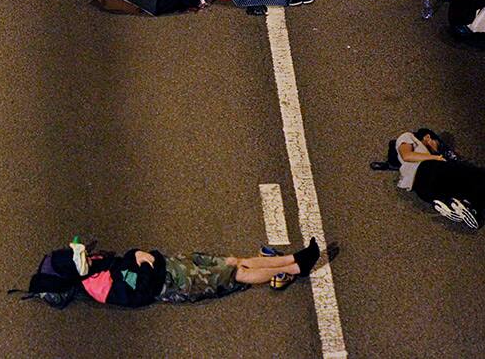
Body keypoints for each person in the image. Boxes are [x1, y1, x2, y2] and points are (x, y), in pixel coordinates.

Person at [29, 237, 322, 308]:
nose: (88, 255)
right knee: (237, 273)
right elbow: (139, 294)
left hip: (173, 266)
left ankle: (294, 259)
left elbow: (124, 260)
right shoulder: (99, 286)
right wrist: (143, 264)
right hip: (175, 282)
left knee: (233, 261)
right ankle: (297, 265)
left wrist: (137, 256)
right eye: (80, 256)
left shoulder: (97, 266)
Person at [395, 128, 481, 230]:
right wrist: (436, 158)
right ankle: (469, 207)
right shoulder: (409, 136)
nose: (437, 150)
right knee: (474, 174)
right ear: (428, 137)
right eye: (437, 144)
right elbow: (407, 155)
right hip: (426, 170)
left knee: (466, 188)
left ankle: (463, 208)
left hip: (423, 190)